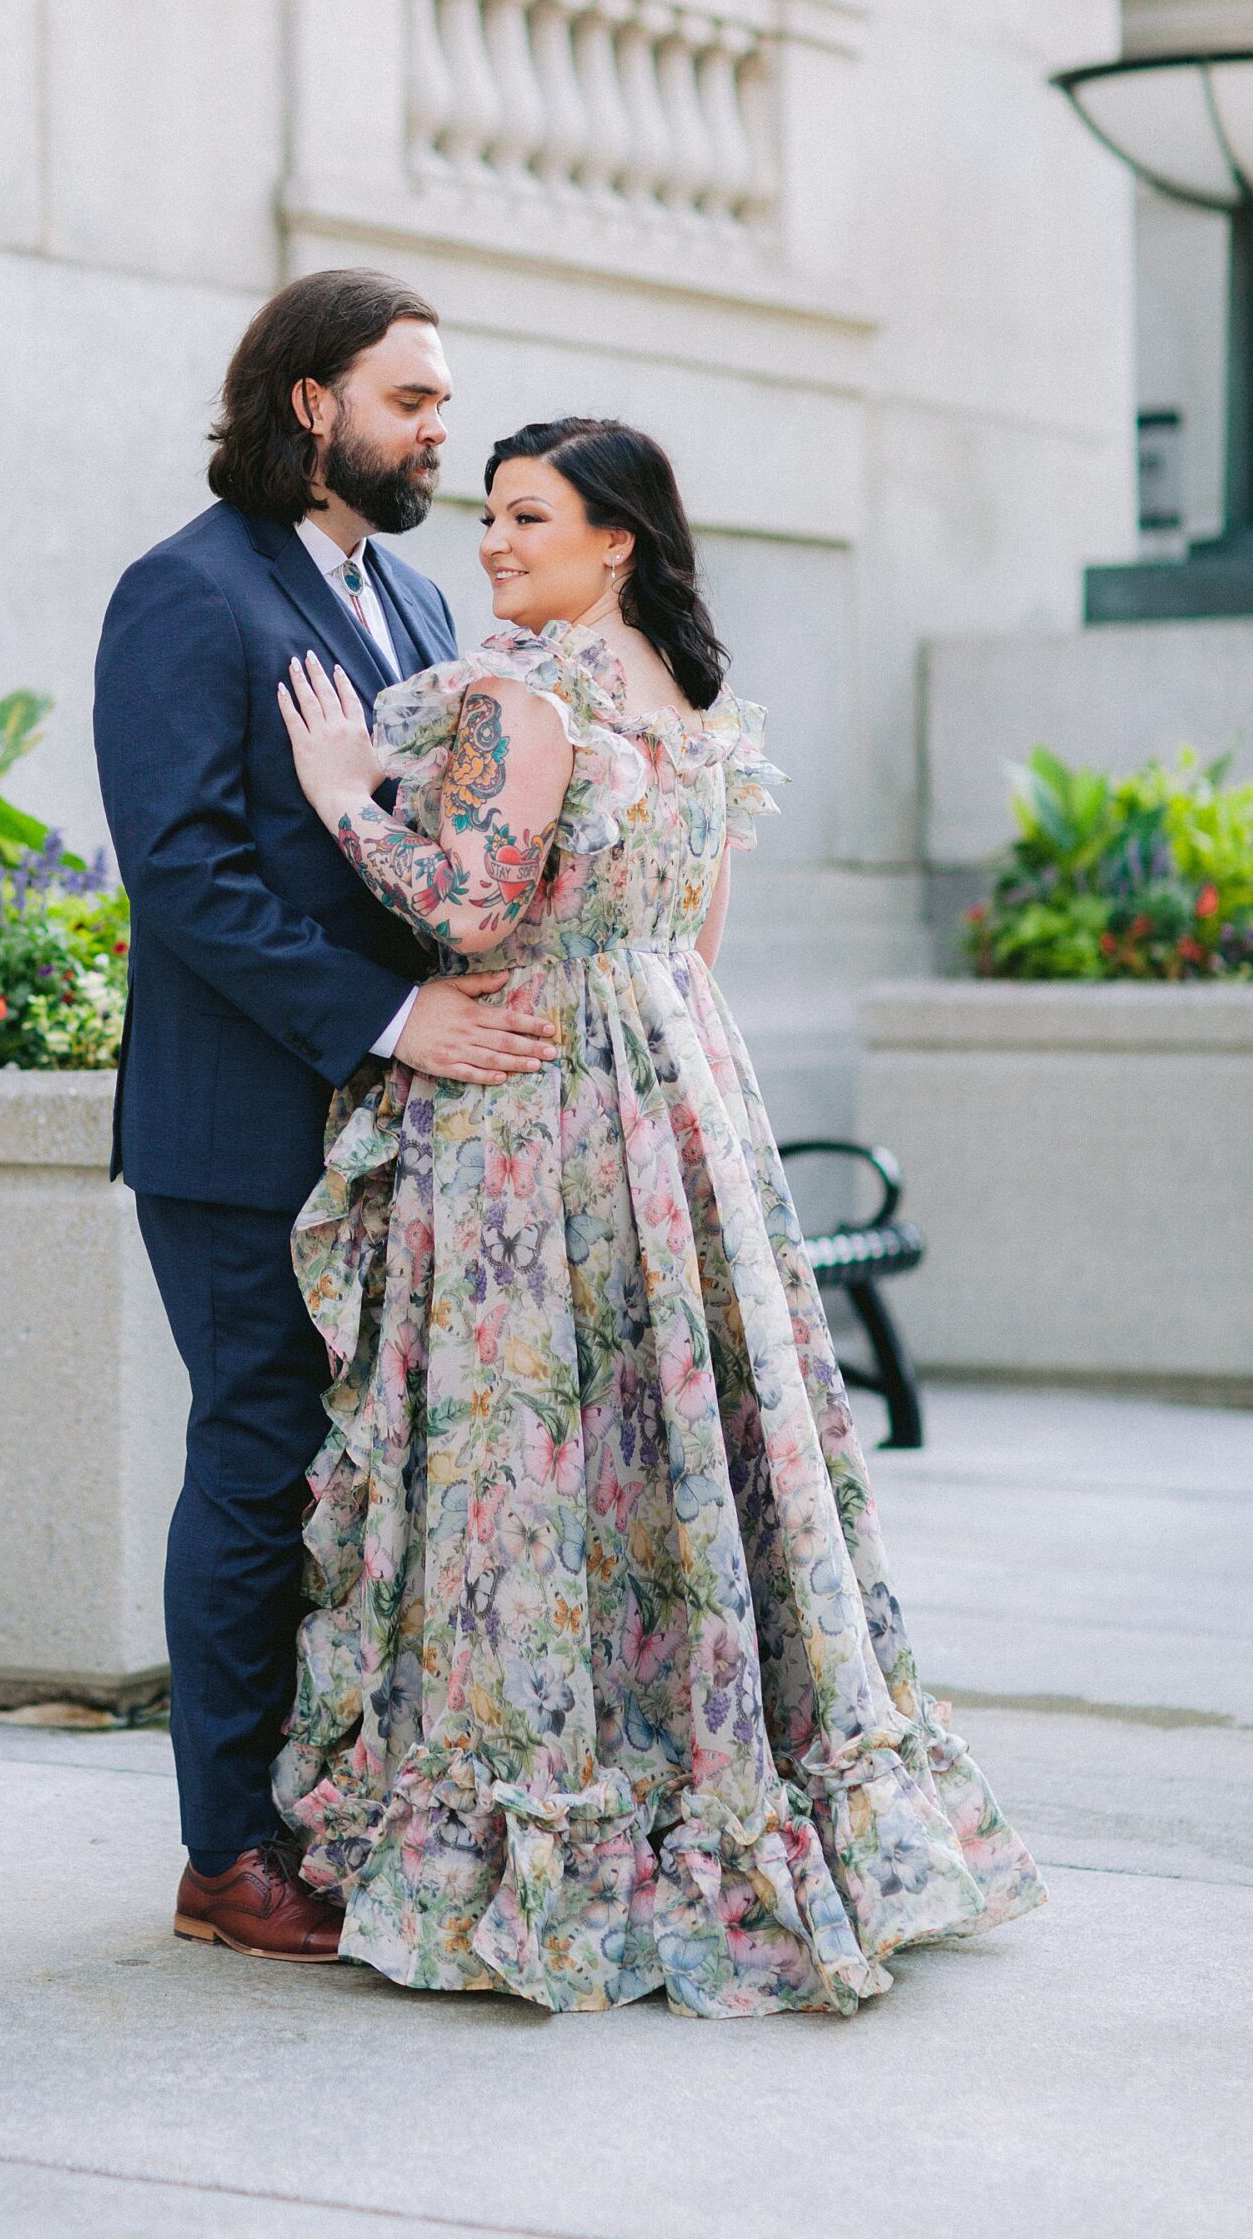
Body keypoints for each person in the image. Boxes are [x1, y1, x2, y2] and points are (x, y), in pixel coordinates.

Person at [270, 415, 1046, 2016]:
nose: (492, 541)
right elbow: (697, 927)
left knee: (532, 1454)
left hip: (537, 1102)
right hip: (679, 1088)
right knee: (679, 1440)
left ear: (613, 538)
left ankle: (544, 1829)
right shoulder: (693, 709)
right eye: (488, 513)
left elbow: (471, 907)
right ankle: (727, 1790)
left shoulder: (527, 696)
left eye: (527, 515)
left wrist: (349, 794)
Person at [93, 270, 558, 1962]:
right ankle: (227, 1855)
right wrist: (391, 1016)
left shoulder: (423, 604)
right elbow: (188, 880)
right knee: (260, 1465)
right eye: (414, 401)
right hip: (239, 1133)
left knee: (366, 1487)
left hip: (407, 1131)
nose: (442, 430)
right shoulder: (185, 593)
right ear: (312, 405)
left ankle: (338, 1808)